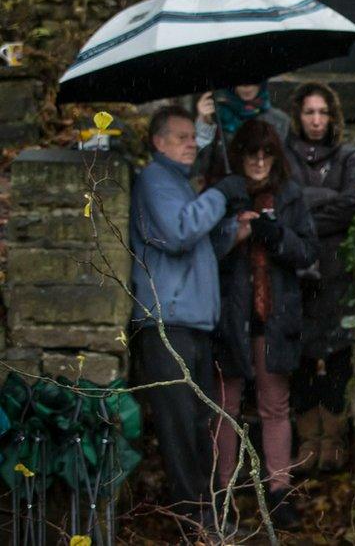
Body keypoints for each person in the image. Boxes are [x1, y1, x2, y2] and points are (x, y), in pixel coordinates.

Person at [129, 105, 249, 529]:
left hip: (191, 322)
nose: (191, 143)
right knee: (181, 430)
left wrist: (233, 229)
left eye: (192, 136)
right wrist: (219, 196)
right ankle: (195, 524)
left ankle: (204, 519)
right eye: (181, 137)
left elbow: (198, 250)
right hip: (168, 324)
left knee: (199, 426)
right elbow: (179, 235)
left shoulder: (179, 184)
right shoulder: (154, 180)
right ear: (158, 143)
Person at [209, 119, 318, 531]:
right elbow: (203, 249)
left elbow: (307, 251)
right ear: (238, 155)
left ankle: (279, 490)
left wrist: (276, 235)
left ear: (276, 156)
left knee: (275, 405)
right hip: (229, 317)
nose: (258, 161)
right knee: (225, 407)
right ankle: (223, 493)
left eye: (266, 153)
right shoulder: (225, 193)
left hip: (274, 318)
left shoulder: (289, 195)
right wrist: (235, 233)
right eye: (251, 153)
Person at [283, 82, 355, 472]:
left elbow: (351, 204)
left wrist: (305, 211)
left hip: (336, 272)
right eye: (309, 113)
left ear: (332, 117)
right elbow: (282, 205)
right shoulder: (284, 156)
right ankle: (307, 444)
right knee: (298, 357)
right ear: (298, 116)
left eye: (322, 113)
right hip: (295, 271)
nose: (316, 121)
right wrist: (320, 204)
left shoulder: (348, 156)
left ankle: (332, 442)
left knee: (337, 356)